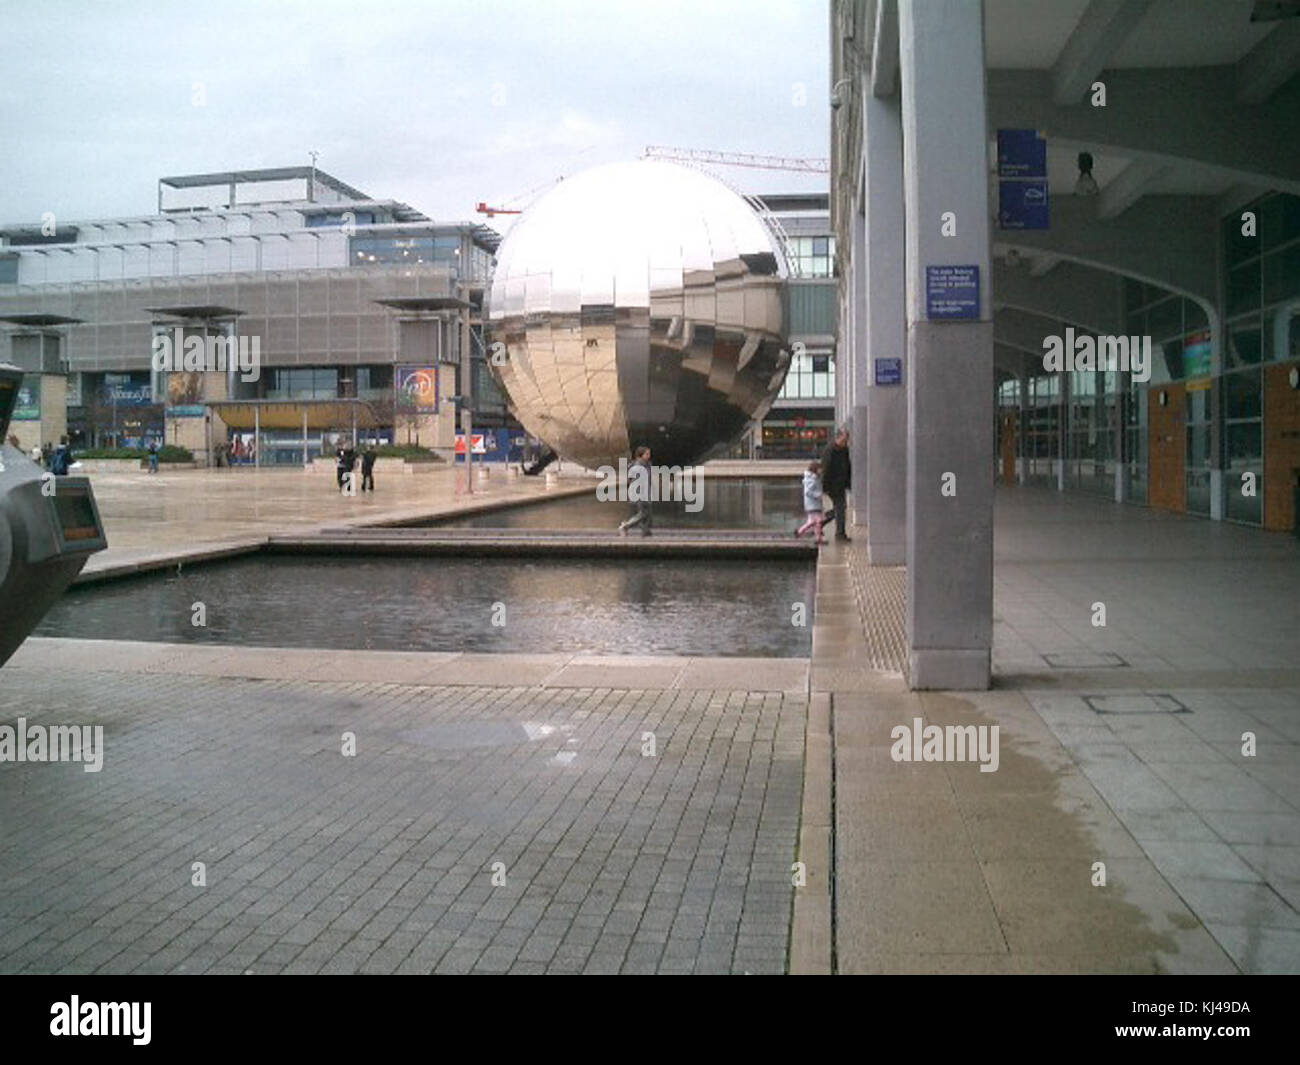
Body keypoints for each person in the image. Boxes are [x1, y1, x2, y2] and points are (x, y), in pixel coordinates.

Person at [820, 427, 852, 542]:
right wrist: (825, 487)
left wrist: (848, 483)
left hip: (841, 484)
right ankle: (839, 534)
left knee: (840, 508)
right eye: (844, 440)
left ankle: (821, 521)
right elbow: (826, 469)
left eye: (847, 440)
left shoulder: (844, 450)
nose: (846, 442)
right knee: (840, 508)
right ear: (838, 438)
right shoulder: (830, 450)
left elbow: (848, 466)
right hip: (833, 485)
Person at [617, 446, 653, 537]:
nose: (649, 456)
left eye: (649, 454)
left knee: (647, 513)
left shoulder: (646, 464)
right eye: (647, 454)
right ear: (641, 455)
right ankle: (625, 526)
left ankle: (645, 530)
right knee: (643, 513)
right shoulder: (637, 466)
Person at [795, 459, 827, 546]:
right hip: (813, 504)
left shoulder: (815, 478)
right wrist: (818, 495)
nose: (821, 471)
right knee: (818, 521)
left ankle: (800, 531)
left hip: (814, 504)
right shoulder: (812, 480)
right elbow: (808, 492)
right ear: (815, 469)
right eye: (820, 469)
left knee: (814, 522)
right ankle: (818, 538)